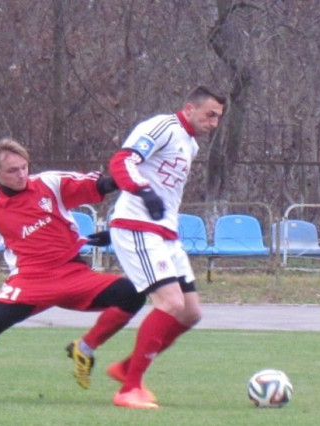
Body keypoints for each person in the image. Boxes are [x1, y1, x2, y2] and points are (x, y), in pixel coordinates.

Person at [0, 138, 145, 402]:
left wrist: (126, 179)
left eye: (24, 167)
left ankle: (84, 348)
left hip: (72, 274)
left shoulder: (50, 184)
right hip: (29, 282)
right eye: (12, 170)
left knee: (133, 294)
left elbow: (99, 186)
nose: (21, 174)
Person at [106, 86, 226, 409]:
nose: (214, 123)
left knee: (190, 312)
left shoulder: (191, 144)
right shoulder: (162, 127)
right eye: (209, 115)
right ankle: (129, 389)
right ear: (189, 108)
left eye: (218, 118)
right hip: (137, 226)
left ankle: (126, 368)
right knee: (170, 302)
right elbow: (122, 161)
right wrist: (142, 192)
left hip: (165, 233)